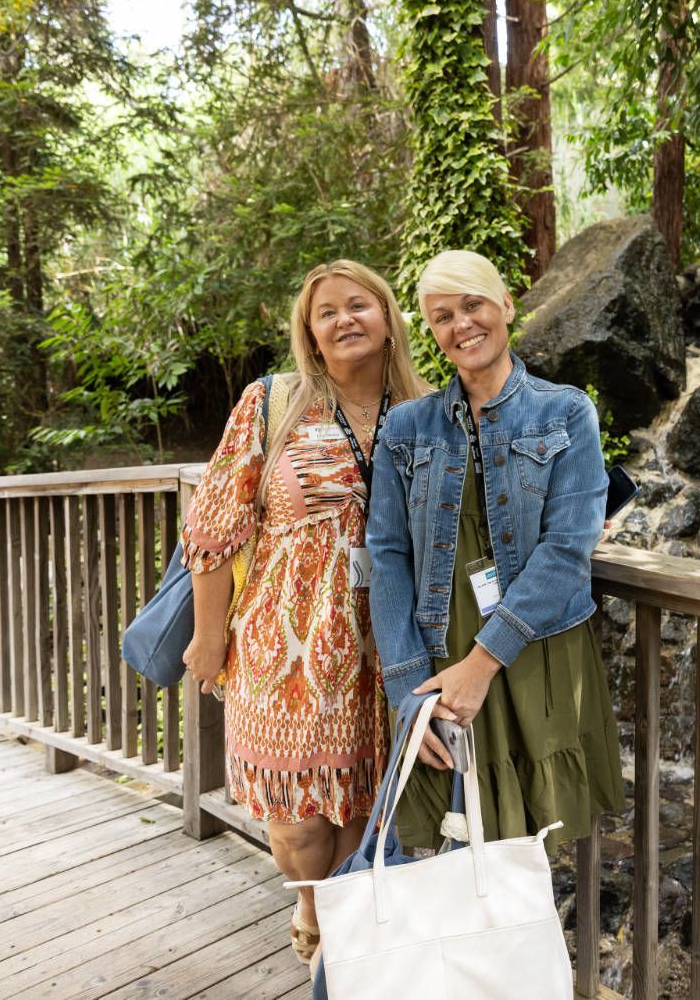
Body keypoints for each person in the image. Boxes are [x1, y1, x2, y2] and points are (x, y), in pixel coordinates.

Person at [180, 259, 431, 966]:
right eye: (328, 312)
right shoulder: (273, 401)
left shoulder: (427, 408)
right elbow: (213, 526)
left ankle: (340, 949)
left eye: (360, 305)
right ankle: (313, 907)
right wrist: (207, 638)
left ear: (387, 319)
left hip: (385, 643)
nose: (345, 319)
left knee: (357, 806)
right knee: (297, 821)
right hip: (280, 643)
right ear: (311, 334)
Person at [367, 249, 623, 855]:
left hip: (534, 651)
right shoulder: (406, 428)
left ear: (505, 305)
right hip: (437, 651)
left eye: (473, 305)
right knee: (452, 839)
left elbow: (566, 551)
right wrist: (407, 692)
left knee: (531, 846)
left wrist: (482, 666)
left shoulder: (565, 412)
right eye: (442, 315)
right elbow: (387, 556)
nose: (462, 325)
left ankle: (527, 948)